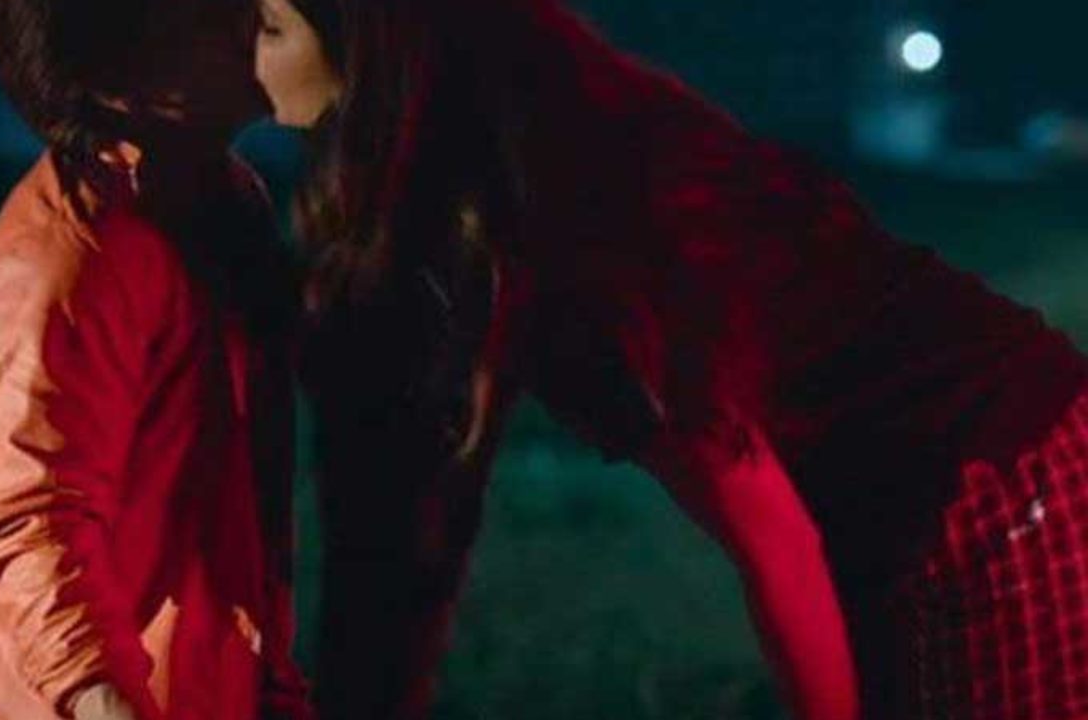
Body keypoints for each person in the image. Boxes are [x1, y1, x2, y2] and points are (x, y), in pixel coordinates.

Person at [250, 0, 1088, 718]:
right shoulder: (443, 205)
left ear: (369, 38)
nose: (239, 49)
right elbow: (410, 531)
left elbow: (770, 531)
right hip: (904, 502)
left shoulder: (578, 214)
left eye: (270, 26)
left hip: (997, 483)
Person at [0, 1, 312, 718]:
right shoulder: (62, 258)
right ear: (116, 71)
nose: (248, 19)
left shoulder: (221, 202)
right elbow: (34, 526)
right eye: (201, 14)